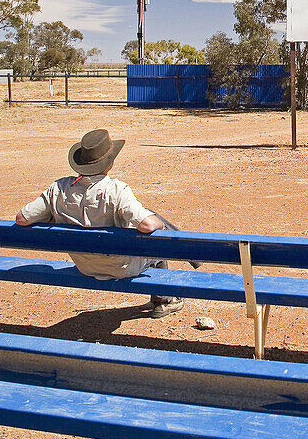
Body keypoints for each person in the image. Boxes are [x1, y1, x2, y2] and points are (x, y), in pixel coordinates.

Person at [16, 127, 188, 319]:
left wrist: (54, 215)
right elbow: (147, 225)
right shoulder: (116, 190)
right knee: (155, 245)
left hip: (85, 265)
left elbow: (22, 218)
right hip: (120, 267)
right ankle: (163, 302)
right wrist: (161, 225)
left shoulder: (58, 189)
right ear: (110, 163)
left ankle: (188, 257)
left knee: (147, 217)